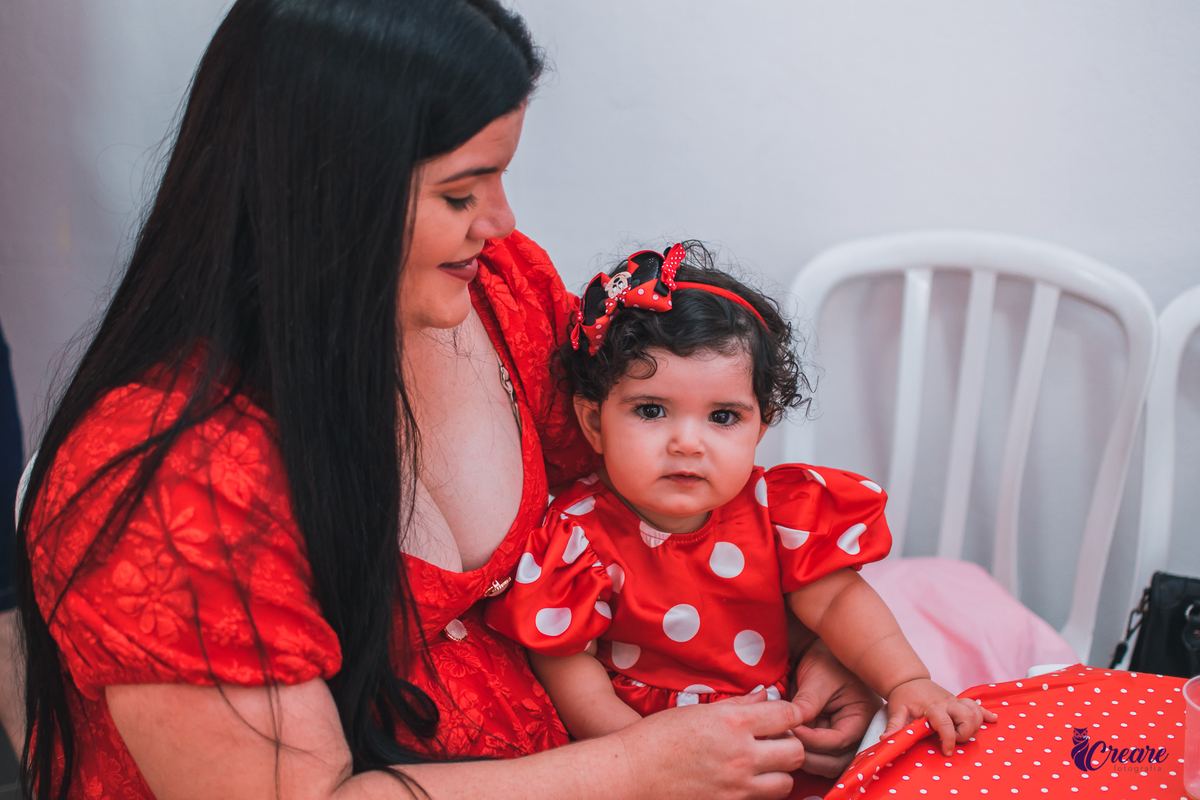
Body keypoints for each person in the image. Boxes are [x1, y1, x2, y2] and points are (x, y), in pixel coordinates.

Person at [16, 2, 879, 799]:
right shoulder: (180, 482)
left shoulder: (503, 293)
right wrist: (638, 766)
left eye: (501, 179)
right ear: (330, 199)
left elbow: (646, 518)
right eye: (462, 193)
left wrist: (812, 642)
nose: (501, 222)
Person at [486, 244, 995, 761]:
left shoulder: (778, 512)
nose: (687, 442)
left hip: (783, 729)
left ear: (761, 424)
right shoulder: (576, 538)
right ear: (595, 422)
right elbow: (573, 674)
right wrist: (649, 761)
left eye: (723, 417)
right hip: (649, 755)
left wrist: (906, 680)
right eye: (652, 409)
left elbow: (841, 602)